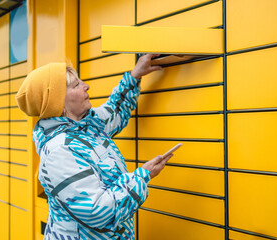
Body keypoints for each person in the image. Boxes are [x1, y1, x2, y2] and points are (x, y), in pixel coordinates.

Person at [16, 54, 173, 240]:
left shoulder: (86, 125)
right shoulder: (58, 152)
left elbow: (115, 109)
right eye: (76, 85)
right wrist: (141, 176)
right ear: (59, 104)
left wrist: (135, 75)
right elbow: (98, 212)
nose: (86, 85)